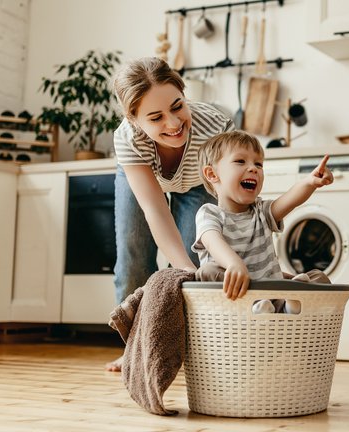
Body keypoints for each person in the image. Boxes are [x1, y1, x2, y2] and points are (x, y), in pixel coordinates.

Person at [106, 57, 234, 372]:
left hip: (197, 182)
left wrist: (194, 268)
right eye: (156, 117)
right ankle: (136, 349)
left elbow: (230, 194)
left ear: (183, 93)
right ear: (135, 120)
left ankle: (190, 353)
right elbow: (154, 209)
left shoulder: (216, 127)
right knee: (133, 256)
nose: (173, 124)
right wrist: (182, 268)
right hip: (144, 175)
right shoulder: (128, 139)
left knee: (196, 260)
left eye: (178, 106)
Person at [192, 130, 334, 313]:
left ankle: (289, 305)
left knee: (318, 278)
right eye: (240, 161)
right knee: (206, 273)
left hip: (273, 292)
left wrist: (309, 182)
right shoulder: (209, 213)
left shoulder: (261, 211)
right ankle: (265, 307)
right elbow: (212, 242)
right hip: (236, 298)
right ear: (212, 174)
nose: (253, 168)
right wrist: (234, 264)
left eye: (258, 164)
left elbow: (289, 199)